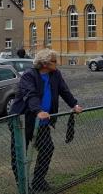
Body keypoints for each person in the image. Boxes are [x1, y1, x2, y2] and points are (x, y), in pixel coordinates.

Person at [9, 49, 83, 192]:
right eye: (54, 61)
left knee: (47, 149)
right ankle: (23, 186)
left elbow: (64, 90)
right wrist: (38, 111)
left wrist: (74, 104)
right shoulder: (29, 76)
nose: (57, 63)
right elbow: (31, 95)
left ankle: (38, 181)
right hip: (23, 122)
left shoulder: (55, 74)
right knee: (19, 155)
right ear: (44, 63)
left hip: (42, 122)